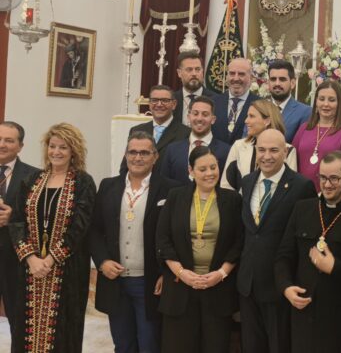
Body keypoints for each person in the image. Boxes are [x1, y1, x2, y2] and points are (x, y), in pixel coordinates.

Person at [8, 123, 96, 353]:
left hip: (67, 271)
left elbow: (80, 227)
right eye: (52, 146)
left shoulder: (83, 182)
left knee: (63, 332)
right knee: (24, 329)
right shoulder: (32, 179)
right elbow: (17, 222)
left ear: (73, 151)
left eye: (63, 147)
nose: (56, 152)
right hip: (29, 269)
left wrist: (50, 260)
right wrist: (31, 258)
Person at [90, 131, 180, 352]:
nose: (137, 157)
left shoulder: (171, 189)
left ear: (155, 156)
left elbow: (177, 236)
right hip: (115, 280)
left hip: (150, 281)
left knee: (150, 343)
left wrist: (167, 272)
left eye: (144, 153)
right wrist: (102, 262)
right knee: (123, 344)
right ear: (126, 155)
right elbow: (94, 230)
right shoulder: (108, 186)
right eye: (132, 152)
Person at [275, 151, 341, 353]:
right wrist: (286, 287)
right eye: (322, 177)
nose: (326, 184)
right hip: (303, 315)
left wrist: (335, 268)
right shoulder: (302, 209)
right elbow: (284, 256)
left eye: (334, 178)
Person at [155, 146, 243, 353]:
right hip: (180, 288)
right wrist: (181, 273)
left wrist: (221, 274)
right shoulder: (175, 196)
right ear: (191, 171)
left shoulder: (232, 200)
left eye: (213, 167)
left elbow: (239, 242)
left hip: (218, 289)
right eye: (202, 169)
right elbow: (163, 240)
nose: (209, 173)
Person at [237, 129, 317, 353]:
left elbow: (305, 240)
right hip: (248, 285)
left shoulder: (302, 186)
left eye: (273, 150)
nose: (266, 156)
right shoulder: (247, 182)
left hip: (280, 287)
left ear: (285, 152)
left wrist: (292, 281)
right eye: (261, 150)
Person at [0, 122, 39, 344]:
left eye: (9, 140)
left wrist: (12, 217)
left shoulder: (35, 176)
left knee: (20, 322)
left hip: (17, 260)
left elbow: (41, 219)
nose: (2, 144)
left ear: (20, 146)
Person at [293, 80, 341, 192]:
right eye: (321, 99)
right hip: (300, 193)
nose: (326, 104)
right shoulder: (304, 128)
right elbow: (292, 159)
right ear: (316, 102)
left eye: (331, 100)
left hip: (331, 193)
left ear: (339, 103)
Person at [221, 99, 298, 190]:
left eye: (251, 116)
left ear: (267, 121)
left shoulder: (288, 150)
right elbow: (226, 185)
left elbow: (291, 187)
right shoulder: (239, 146)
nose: (246, 121)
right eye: (247, 116)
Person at [120, 85, 191, 174]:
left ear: (174, 104)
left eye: (165, 100)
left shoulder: (186, 133)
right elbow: (126, 167)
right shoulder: (137, 130)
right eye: (154, 100)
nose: (159, 104)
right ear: (149, 104)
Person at [161, 96, 230, 185]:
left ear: (213, 119)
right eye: (195, 114)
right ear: (188, 117)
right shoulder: (172, 149)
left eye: (205, 114)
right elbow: (164, 183)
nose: (199, 118)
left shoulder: (226, 151)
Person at [212, 58, 260, 144]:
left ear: (251, 78)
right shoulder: (213, 102)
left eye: (241, 74)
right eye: (232, 73)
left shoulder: (260, 105)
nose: (236, 78)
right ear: (227, 76)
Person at [267, 60, 312, 143]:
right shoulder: (258, 109)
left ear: (292, 83)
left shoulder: (305, 112)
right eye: (273, 79)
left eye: (282, 79)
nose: (277, 83)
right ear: (268, 82)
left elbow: (303, 145)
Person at [173, 51, 217, 127]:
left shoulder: (216, 100)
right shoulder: (172, 100)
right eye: (189, 69)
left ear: (202, 71)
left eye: (197, 69)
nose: (194, 73)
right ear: (179, 73)